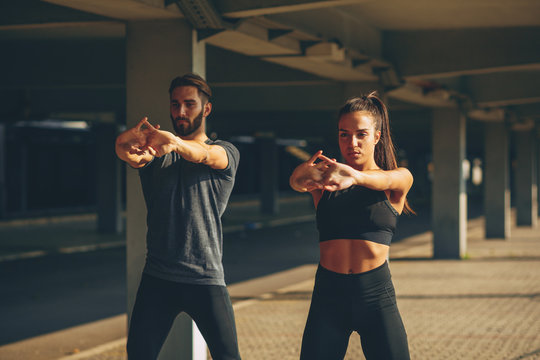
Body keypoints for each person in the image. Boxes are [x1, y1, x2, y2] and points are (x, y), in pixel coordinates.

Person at [115, 73, 241, 360]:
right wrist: (125, 140)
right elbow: (128, 153)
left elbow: (206, 155)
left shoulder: (226, 152)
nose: (180, 111)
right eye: (175, 104)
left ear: (206, 109)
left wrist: (175, 143)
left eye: (189, 104)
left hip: (205, 277)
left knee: (228, 357)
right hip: (158, 276)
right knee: (137, 354)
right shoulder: (156, 154)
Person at [290, 92, 413, 359]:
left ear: (377, 137)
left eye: (361, 134)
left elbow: (387, 180)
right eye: (344, 134)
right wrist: (300, 175)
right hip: (328, 295)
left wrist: (354, 177)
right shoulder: (327, 182)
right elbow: (298, 182)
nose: (352, 142)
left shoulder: (396, 179)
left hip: (376, 296)